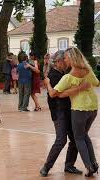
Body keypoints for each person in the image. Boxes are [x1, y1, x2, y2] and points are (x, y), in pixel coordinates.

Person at [45, 47, 99, 177]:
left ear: (71, 58)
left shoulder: (68, 77)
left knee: (79, 138)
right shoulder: (88, 71)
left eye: (66, 57)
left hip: (79, 109)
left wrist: (47, 83)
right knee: (85, 136)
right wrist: (83, 86)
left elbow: (53, 94)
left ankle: (89, 167)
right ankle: (94, 163)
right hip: (93, 108)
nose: (64, 59)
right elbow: (96, 83)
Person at [40, 50, 86, 177]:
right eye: (64, 59)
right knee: (61, 140)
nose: (66, 62)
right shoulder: (54, 75)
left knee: (75, 139)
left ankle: (69, 165)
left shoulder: (63, 73)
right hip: (59, 112)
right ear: (59, 61)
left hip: (69, 111)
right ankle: (46, 167)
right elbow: (53, 94)